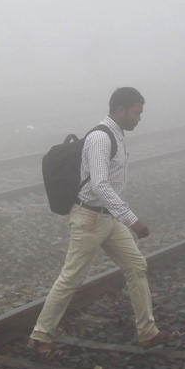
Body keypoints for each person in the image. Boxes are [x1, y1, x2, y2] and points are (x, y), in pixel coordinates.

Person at [30, 87, 169, 352]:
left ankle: (148, 332)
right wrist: (132, 220)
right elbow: (100, 185)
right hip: (90, 218)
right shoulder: (101, 138)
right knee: (71, 278)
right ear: (121, 109)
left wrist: (120, 217)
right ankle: (40, 336)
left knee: (136, 266)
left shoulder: (117, 133)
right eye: (136, 112)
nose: (139, 118)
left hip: (108, 219)